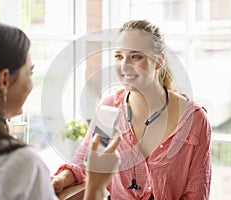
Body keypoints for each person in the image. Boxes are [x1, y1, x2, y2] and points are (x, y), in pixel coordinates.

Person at [52, 19, 212, 199]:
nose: (124, 65)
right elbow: (86, 161)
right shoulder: (109, 108)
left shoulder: (195, 120)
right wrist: (61, 179)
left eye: (135, 56)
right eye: (119, 56)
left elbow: (197, 193)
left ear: (159, 61)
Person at [0, 20, 120, 200]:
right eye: (30, 73)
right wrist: (96, 185)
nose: (32, 84)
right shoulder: (20, 164)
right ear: (5, 80)